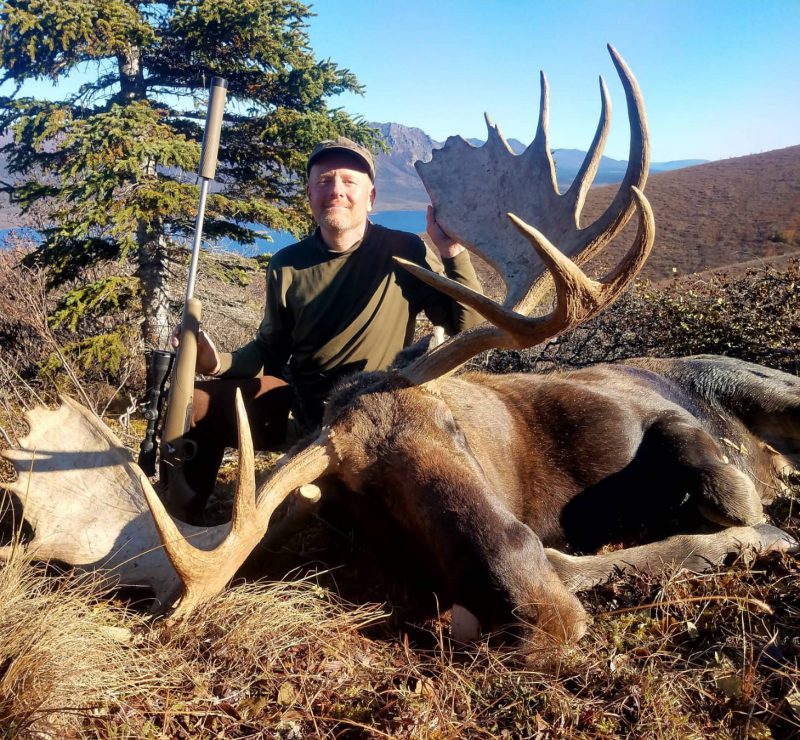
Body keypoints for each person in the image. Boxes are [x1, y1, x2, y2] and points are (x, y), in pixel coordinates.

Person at [173, 136, 482, 522]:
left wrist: (452, 254)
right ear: (310, 194)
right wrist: (218, 362)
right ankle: (184, 523)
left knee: (343, 524)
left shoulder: (402, 251)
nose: (336, 190)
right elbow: (270, 350)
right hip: (304, 413)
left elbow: (466, 328)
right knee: (198, 404)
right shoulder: (287, 264)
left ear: (371, 197)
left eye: (349, 182)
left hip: (376, 418)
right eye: (324, 181)